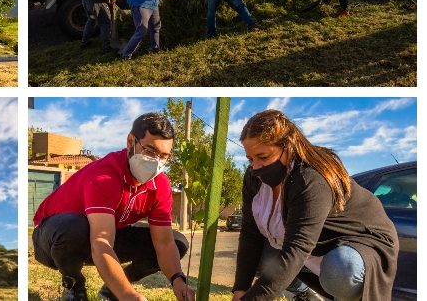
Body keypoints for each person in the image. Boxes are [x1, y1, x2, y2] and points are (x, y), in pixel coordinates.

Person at [232, 109, 399, 301]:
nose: (255, 167)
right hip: (315, 242)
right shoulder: (254, 178)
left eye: (263, 157)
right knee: (265, 257)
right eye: (250, 159)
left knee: (341, 270)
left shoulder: (310, 178)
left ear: (288, 148)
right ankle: (307, 295)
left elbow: (296, 248)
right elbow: (250, 233)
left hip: (360, 242)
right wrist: (240, 290)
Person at [32, 113, 195, 301]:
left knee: (177, 242)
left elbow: (164, 244)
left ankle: (112, 290)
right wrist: (129, 296)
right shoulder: (105, 176)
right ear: (130, 141)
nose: (156, 162)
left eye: (164, 156)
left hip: (100, 236)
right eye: (150, 151)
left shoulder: (160, 186)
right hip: (52, 239)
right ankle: (74, 286)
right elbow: (101, 241)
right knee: (75, 228)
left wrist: (178, 280)